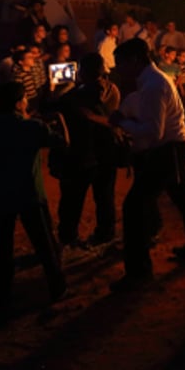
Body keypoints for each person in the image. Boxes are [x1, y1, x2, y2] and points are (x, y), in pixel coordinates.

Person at [110, 38, 185, 291]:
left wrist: (122, 122)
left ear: (134, 60)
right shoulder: (152, 82)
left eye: (121, 63)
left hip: (167, 151)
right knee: (183, 197)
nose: (118, 68)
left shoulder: (153, 85)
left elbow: (154, 131)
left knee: (135, 206)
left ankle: (139, 272)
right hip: (172, 149)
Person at [0, 81, 67, 313]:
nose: (26, 102)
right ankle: (57, 287)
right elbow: (63, 144)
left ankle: (0, 297)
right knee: (45, 245)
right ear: (17, 103)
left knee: (1, 250)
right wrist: (60, 120)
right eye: (24, 99)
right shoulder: (33, 127)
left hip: (0, 196)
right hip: (30, 194)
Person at [56, 53, 123, 248]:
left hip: (81, 154)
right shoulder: (113, 90)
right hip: (107, 152)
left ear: (82, 72)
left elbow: (58, 109)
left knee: (72, 199)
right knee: (104, 197)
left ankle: (68, 236)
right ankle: (105, 233)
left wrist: (58, 90)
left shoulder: (75, 97)